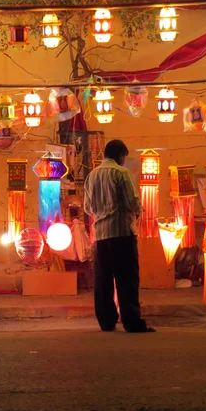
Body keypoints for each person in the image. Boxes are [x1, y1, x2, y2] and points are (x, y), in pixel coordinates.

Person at [83, 140, 156, 333]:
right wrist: (138, 211)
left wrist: (101, 215)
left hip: (99, 237)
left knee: (103, 281)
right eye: (124, 156)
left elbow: (87, 208)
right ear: (120, 155)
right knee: (127, 279)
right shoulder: (121, 173)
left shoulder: (92, 175)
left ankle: (106, 322)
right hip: (122, 234)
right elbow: (132, 202)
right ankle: (132, 322)